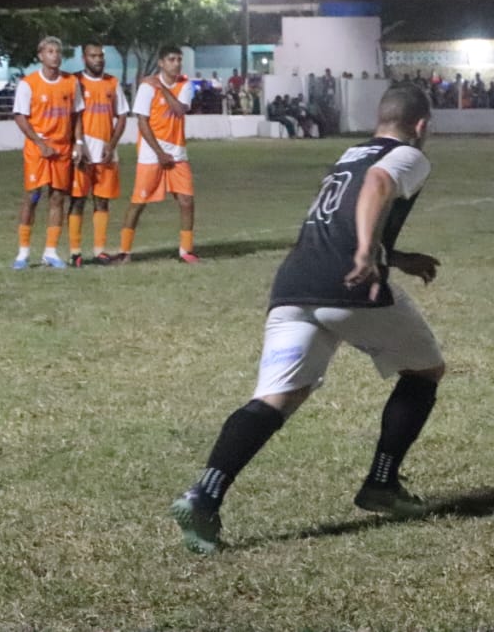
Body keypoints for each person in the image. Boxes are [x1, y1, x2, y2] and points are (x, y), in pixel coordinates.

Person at [170, 83, 444, 554]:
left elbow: (337, 213)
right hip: (348, 284)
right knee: (425, 370)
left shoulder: (350, 153)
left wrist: (392, 256)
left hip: (295, 283)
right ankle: (381, 483)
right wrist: (365, 253)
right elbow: (378, 186)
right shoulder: (409, 155)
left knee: (278, 396)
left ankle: (204, 493)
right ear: (420, 126)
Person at [115, 45, 198, 264]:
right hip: (151, 154)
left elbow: (180, 109)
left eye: (179, 59)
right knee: (138, 202)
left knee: (187, 201)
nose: (177, 63)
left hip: (178, 152)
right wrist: (159, 153)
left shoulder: (184, 85)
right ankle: (124, 251)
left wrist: (161, 88)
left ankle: (186, 251)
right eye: (171, 59)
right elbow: (142, 122)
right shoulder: (146, 88)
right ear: (161, 62)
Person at [11, 37, 85, 269]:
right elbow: (20, 116)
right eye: (50, 51)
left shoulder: (71, 82)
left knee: (57, 197)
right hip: (38, 150)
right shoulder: (29, 83)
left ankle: (50, 252)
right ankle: (23, 253)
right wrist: (39, 142)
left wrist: (79, 142)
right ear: (41, 55)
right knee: (32, 196)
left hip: (62, 149)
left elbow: (77, 115)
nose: (55, 55)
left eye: (58, 51)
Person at [67, 42, 129, 267]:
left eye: (101, 56)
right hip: (82, 151)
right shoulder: (75, 81)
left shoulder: (112, 82)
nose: (98, 60)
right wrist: (78, 143)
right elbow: (72, 116)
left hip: (105, 151)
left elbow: (122, 116)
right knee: (78, 201)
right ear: (84, 58)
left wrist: (112, 145)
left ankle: (100, 250)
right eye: (93, 56)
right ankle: (75, 252)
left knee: (102, 201)